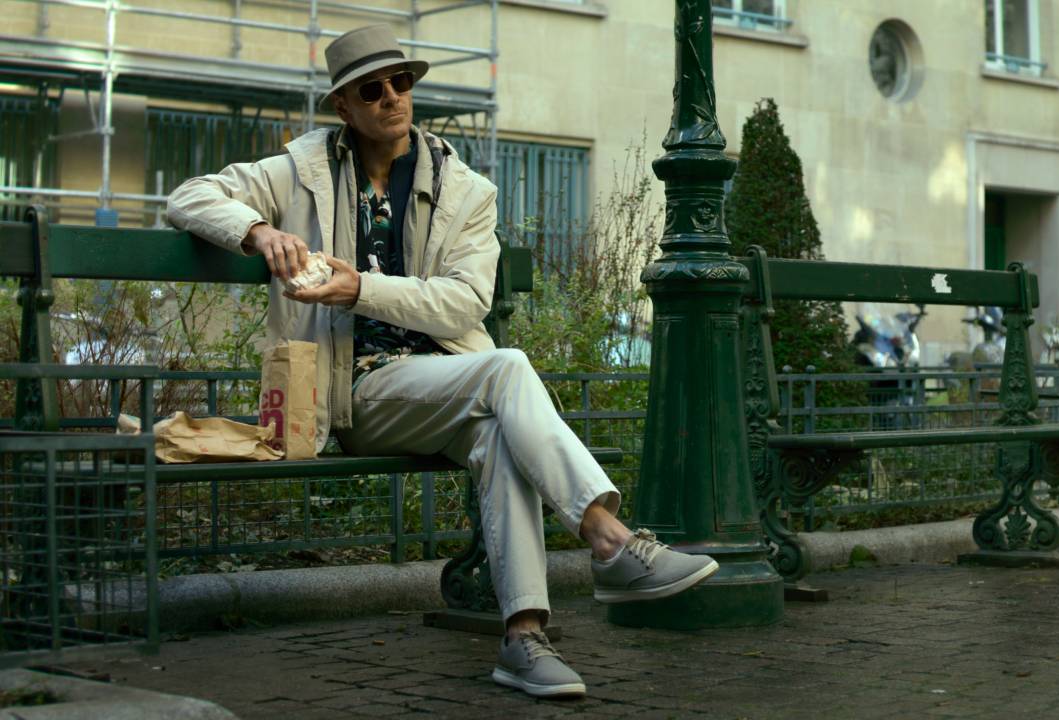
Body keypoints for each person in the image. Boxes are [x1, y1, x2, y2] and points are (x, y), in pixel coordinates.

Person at [166, 24, 718, 700]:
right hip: (353, 393)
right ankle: (607, 539)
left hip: (449, 388)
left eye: (402, 82)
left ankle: (523, 636)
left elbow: (463, 305)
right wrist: (257, 229)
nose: (392, 97)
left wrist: (360, 287)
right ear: (344, 105)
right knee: (507, 368)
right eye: (372, 89)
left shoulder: (466, 191)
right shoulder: (298, 171)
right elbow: (188, 195)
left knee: (498, 436)